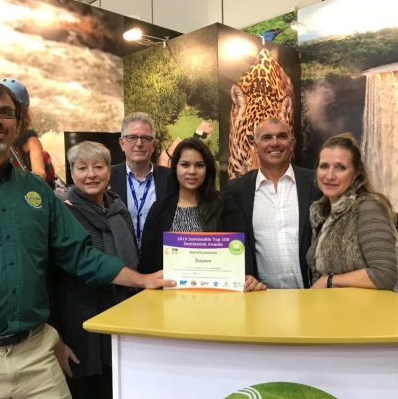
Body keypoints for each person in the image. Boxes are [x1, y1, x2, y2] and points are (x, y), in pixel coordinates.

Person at [0, 80, 173, 399]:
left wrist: (142, 279)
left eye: (6, 112)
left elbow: (80, 255)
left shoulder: (37, 192)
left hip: (36, 357)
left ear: (18, 124)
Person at [51, 141, 138, 399]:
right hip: (79, 328)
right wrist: (57, 341)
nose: (91, 174)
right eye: (82, 168)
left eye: (98, 167)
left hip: (120, 322)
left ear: (109, 171)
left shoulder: (119, 210)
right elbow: (49, 281)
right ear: (72, 172)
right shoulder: (63, 213)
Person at [139, 138, 264, 292]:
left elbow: (242, 250)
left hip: (219, 300)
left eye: (199, 165)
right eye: (185, 165)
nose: (192, 171)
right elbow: (147, 264)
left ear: (208, 169)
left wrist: (248, 277)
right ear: (175, 168)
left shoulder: (224, 204)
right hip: (169, 303)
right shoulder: (159, 209)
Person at [227, 117, 321, 289]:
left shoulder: (317, 183)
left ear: (292, 143)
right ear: (255, 145)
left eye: (282, 136)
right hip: (261, 299)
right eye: (267, 137)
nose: (275, 143)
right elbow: (234, 245)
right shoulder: (236, 190)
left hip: (312, 296)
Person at [306, 133, 398, 292]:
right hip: (338, 311)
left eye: (341, 167)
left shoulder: (368, 208)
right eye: (324, 166)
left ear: (356, 173)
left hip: (369, 314)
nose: (330, 175)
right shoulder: (323, 213)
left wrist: (328, 281)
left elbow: (384, 274)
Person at [109, 112, 171, 249]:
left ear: (154, 145)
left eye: (146, 138)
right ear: (122, 143)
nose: (139, 143)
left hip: (159, 262)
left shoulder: (171, 178)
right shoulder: (107, 177)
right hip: (121, 262)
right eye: (132, 137)